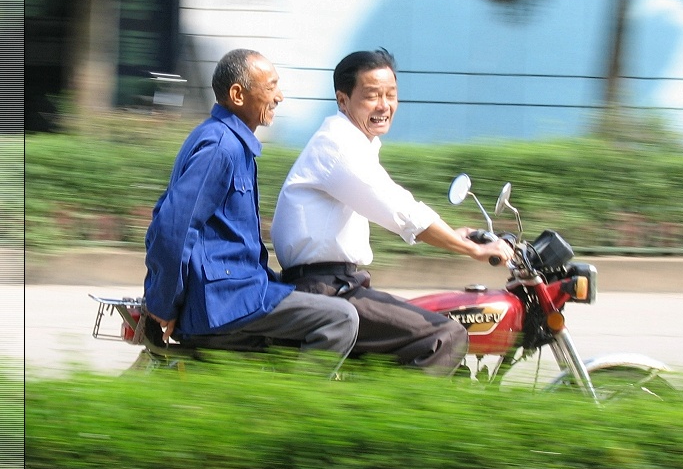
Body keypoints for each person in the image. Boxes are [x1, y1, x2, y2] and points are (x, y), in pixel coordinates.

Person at [270, 48, 513, 376]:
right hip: (326, 289)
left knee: (423, 324)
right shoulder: (339, 147)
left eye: (391, 95)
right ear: (343, 100)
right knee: (446, 334)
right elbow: (401, 211)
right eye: (371, 95)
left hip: (335, 284)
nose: (384, 105)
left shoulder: (354, 142)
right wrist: (474, 249)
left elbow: (391, 205)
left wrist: (452, 234)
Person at [142, 48, 359, 377]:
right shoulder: (220, 147)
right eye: (271, 87)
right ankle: (293, 414)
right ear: (237, 94)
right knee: (341, 319)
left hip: (238, 290)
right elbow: (172, 228)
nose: (279, 97)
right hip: (227, 299)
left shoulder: (227, 142)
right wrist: (162, 304)